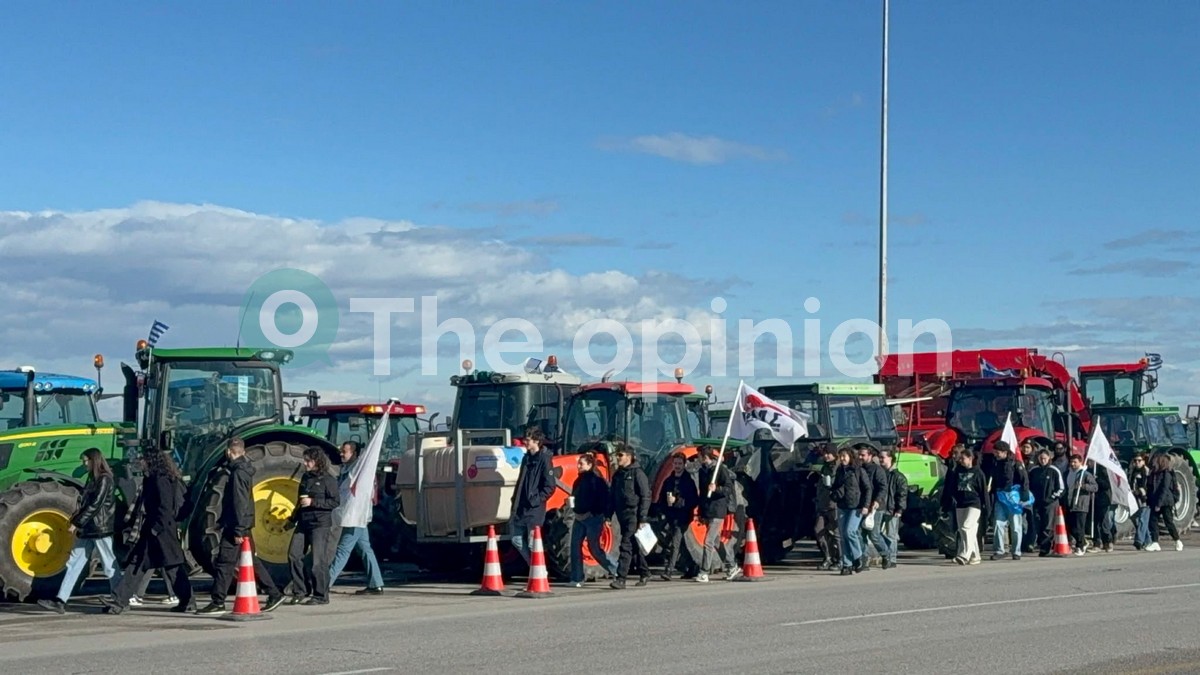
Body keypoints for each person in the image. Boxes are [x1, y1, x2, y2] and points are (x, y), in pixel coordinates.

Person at [198, 437, 284, 614]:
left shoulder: (237, 473)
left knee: (225, 563)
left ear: (228, 452)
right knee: (251, 560)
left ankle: (218, 601)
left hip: (236, 525)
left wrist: (238, 529)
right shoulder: (244, 470)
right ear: (243, 452)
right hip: (241, 523)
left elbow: (240, 502)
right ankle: (274, 593)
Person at [102, 451, 195, 614]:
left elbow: (165, 507)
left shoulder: (160, 479)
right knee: (139, 564)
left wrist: (155, 528)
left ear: (151, 461)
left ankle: (187, 601)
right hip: (157, 530)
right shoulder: (158, 477)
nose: (140, 462)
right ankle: (119, 600)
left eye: (142, 459)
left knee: (169, 567)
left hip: (160, 531)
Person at [38, 448, 121, 613]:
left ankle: (120, 599)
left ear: (94, 460)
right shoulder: (94, 479)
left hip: (99, 529)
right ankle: (60, 601)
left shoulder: (104, 479)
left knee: (108, 563)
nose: (84, 464)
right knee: (74, 563)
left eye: (86, 460)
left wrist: (76, 523)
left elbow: (95, 505)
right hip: (89, 529)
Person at [328, 441, 386, 595]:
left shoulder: (359, 470)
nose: (341, 454)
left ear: (354, 454)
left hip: (355, 515)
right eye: (341, 451)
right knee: (365, 548)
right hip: (352, 514)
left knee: (343, 549)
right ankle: (376, 584)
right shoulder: (345, 469)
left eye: (344, 451)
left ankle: (325, 584)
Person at [286, 447, 340, 605]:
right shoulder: (306, 477)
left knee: (318, 561)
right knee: (294, 555)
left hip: (320, 524)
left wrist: (313, 502)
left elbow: (335, 502)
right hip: (304, 522)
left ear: (317, 461)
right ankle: (300, 590)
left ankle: (321, 595)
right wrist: (292, 519)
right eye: (305, 460)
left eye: (308, 461)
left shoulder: (328, 480)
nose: (305, 463)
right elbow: (299, 501)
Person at [568, 452, 618, 586]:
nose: (578, 466)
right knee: (574, 547)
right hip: (579, 517)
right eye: (578, 463)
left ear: (590, 465)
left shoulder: (597, 480)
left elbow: (604, 499)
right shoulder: (578, 481)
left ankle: (616, 570)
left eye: (581, 464)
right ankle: (577, 578)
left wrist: (598, 513)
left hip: (593, 518)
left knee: (594, 548)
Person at [607, 443, 651, 589]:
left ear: (629, 457)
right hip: (621, 514)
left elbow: (645, 496)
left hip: (634, 514)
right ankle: (645, 572)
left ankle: (621, 578)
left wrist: (642, 518)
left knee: (625, 544)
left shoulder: (638, 473)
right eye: (617, 455)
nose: (617, 458)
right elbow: (612, 497)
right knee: (634, 544)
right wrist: (608, 516)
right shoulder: (618, 475)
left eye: (620, 455)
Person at [509, 427, 555, 563]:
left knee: (532, 543)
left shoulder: (544, 459)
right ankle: (534, 568)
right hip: (521, 507)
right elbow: (521, 481)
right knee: (516, 539)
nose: (525, 442)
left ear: (536, 441)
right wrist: (515, 500)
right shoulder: (526, 458)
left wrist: (536, 500)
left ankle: (538, 570)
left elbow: (550, 486)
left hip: (535, 509)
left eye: (528, 440)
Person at [695, 444, 739, 582]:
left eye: (699, 456)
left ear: (705, 457)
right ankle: (732, 566)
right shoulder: (702, 471)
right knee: (716, 542)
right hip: (708, 509)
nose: (697, 458)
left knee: (708, 541)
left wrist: (717, 489)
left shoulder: (720, 469)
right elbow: (703, 493)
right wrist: (701, 512)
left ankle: (704, 572)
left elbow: (728, 488)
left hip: (718, 510)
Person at [654, 453, 696, 581]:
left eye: (679, 463)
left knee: (675, 543)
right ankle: (693, 567)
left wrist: (677, 501)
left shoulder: (688, 482)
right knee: (681, 544)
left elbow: (693, 500)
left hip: (682, 517)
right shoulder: (668, 481)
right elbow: (661, 498)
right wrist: (662, 510)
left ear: (684, 465)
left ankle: (669, 571)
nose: (677, 466)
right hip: (671, 516)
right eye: (675, 463)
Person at [941, 448, 986, 565]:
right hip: (960, 504)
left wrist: (986, 508)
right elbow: (952, 487)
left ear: (970, 459)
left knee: (967, 527)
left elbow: (983, 492)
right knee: (965, 531)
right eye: (960, 458)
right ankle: (975, 556)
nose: (960, 460)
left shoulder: (978, 472)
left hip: (974, 504)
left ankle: (965, 555)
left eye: (963, 458)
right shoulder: (958, 471)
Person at [831, 448, 870, 575]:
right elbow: (836, 486)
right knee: (843, 536)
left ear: (850, 457)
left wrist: (866, 505)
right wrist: (832, 490)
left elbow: (867, 488)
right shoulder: (839, 471)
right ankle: (847, 564)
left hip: (856, 506)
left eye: (844, 456)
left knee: (850, 531)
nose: (842, 458)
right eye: (841, 456)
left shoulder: (859, 471)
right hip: (842, 506)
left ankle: (858, 557)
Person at [988, 441, 1027, 560]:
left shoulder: (1016, 463)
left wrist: (1024, 496)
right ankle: (999, 550)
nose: (995, 454)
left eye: (997, 452)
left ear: (1005, 452)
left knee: (1015, 526)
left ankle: (1016, 551)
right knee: (998, 524)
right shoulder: (995, 463)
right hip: (1000, 497)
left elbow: (1024, 479)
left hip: (1013, 499)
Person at [1027, 448, 1065, 557]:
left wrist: (1051, 498)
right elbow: (1028, 486)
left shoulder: (1054, 470)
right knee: (1038, 524)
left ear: (1049, 458)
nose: (1043, 460)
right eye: (1041, 458)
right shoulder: (1033, 470)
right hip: (1036, 503)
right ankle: (1041, 544)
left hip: (1050, 504)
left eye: (1045, 458)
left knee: (1048, 526)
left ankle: (1045, 548)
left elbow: (1061, 488)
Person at [857, 447, 888, 570]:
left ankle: (886, 554)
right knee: (860, 534)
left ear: (870, 455)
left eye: (863, 455)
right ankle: (864, 559)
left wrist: (877, 501)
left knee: (874, 535)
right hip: (862, 505)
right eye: (859, 455)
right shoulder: (858, 469)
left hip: (875, 507)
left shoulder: (877, 470)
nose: (860, 457)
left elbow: (883, 487)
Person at [1145, 452, 1183, 552]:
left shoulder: (1167, 473)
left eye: (1155, 460)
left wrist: (1159, 503)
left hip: (1165, 502)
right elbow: (1150, 488)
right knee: (1153, 521)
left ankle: (1177, 540)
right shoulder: (1154, 473)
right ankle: (1155, 542)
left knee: (1168, 522)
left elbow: (1164, 489)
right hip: (1155, 501)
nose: (1153, 462)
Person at [878, 449, 907, 569]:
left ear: (890, 458)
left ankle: (892, 558)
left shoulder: (898, 477)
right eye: (880, 457)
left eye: (883, 457)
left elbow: (902, 494)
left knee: (891, 534)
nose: (880, 460)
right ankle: (886, 554)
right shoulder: (880, 473)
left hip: (892, 508)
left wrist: (899, 509)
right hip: (880, 508)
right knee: (876, 532)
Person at [813, 446, 840, 571]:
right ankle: (827, 557)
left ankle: (839, 559)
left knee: (836, 533)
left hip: (834, 505)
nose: (826, 456)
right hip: (822, 505)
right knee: (818, 530)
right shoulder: (824, 467)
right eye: (824, 453)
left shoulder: (838, 468)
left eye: (828, 453)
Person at [1065, 455, 1098, 556]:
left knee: (1079, 527)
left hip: (1081, 504)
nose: (1073, 464)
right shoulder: (1068, 473)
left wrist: (1083, 486)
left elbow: (1095, 487)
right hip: (1070, 504)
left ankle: (1080, 546)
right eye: (1071, 462)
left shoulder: (1085, 474)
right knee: (1071, 526)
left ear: (1080, 462)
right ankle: (1083, 541)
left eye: (1075, 462)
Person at [1129, 453, 1151, 550]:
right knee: (1135, 518)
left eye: (1139, 460)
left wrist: (1143, 491)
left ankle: (1138, 540)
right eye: (1135, 461)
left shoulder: (1146, 471)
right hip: (1135, 498)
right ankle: (1148, 541)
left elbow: (1148, 485)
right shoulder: (1133, 471)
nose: (1137, 462)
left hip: (1144, 499)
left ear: (1143, 461)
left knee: (1142, 519)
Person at [1092, 463, 1116, 552]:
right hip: (1093, 500)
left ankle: (1108, 541)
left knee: (1104, 523)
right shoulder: (1090, 470)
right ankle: (1097, 542)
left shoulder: (1104, 470)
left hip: (1103, 500)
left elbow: (1107, 485)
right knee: (1095, 523)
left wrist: (1097, 479)